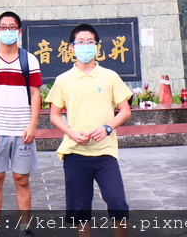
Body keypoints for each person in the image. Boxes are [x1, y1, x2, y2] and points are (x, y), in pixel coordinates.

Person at [47, 24, 132, 237]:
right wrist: (71, 133)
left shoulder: (110, 76)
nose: (86, 46)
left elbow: (125, 111)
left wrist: (107, 127)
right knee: (80, 210)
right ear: (72, 47)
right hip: (75, 153)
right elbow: (54, 115)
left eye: (90, 42)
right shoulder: (63, 79)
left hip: (105, 154)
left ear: (97, 46)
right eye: (81, 42)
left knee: (117, 203)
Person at [0, 11, 43, 236]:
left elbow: (36, 95)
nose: (7, 32)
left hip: (22, 130)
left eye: (12, 27)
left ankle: (25, 228)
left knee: (21, 179)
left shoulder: (29, 60)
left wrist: (32, 125)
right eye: (3, 28)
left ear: (19, 31)